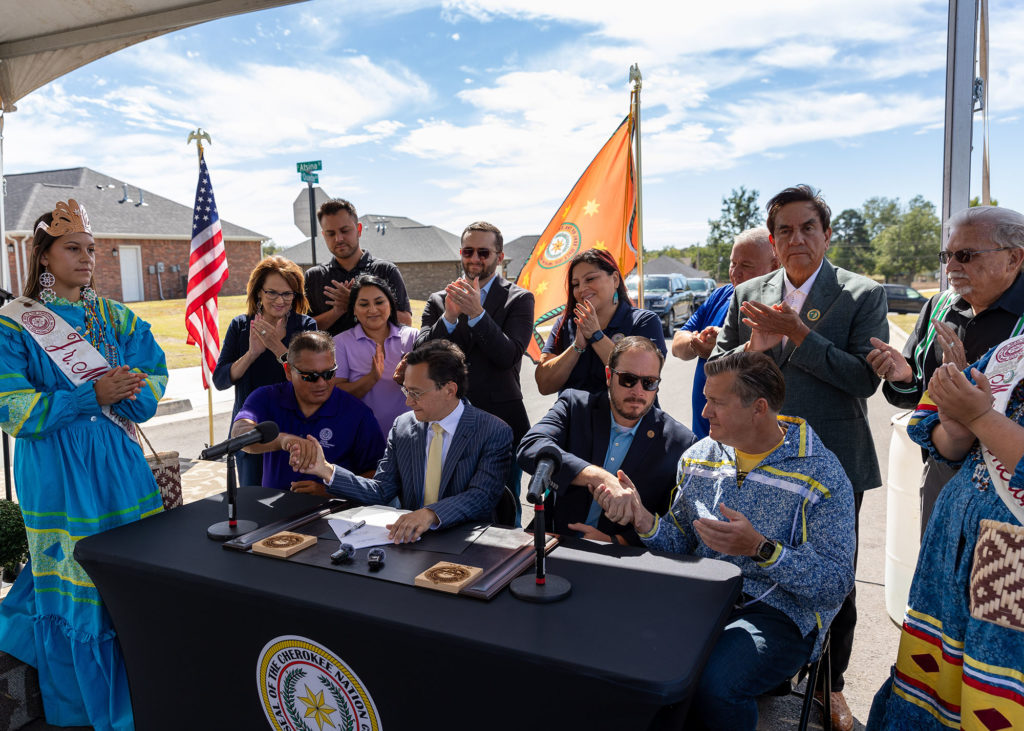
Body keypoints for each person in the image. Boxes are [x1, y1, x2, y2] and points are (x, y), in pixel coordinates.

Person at [594, 352, 855, 731]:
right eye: (706, 398)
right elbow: (680, 546)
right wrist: (644, 519)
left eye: (716, 402)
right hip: (703, 596)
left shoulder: (823, 474)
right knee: (627, 653)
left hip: (782, 615)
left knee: (715, 685)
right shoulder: (698, 457)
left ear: (758, 408)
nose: (704, 412)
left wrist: (761, 549)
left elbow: (834, 585)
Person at [711, 185, 888, 731]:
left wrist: (801, 335)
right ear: (773, 238)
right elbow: (720, 364)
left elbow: (864, 379)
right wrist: (754, 350)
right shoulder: (752, 292)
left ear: (826, 234)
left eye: (807, 227)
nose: (797, 238)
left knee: (832, 580)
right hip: (759, 460)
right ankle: (771, 677)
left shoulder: (861, 294)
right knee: (762, 567)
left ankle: (831, 688)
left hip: (832, 464)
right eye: (785, 229)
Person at [0, 199, 168, 730]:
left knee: (130, 577)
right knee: (77, 589)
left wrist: (132, 391)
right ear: (44, 257)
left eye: (92, 249)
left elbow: (153, 374)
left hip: (119, 465)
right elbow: (13, 407)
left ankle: (144, 698)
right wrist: (88, 396)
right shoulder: (15, 323)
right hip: (55, 470)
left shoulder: (115, 317)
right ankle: (83, 710)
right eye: (73, 248)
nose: (87, 258)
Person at [866, 341, 1024, 731]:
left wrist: (981, 416)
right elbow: (948, 443)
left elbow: (984, 420)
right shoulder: (1011, 351)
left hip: (1012, 568)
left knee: (992, 694)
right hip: (953, 548)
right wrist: (956, 429)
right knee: (935, 683)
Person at [867, 205, 1024, 533]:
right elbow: (919, 395)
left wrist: (969, 392)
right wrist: (906, 376)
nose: (951, 266)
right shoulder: (938, 306)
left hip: (1009, 494)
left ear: (1014, 258)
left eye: (966, 255)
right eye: (947, 255)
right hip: (942, 478)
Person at [292, 340, 513, 543]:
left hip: (467, 543)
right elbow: (380, 491)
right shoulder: (403, 427)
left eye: (416, 393)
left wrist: (430, 514)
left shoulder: (493, 431)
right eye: (406, 390)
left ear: (449, 389)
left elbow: (481, 497)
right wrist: (327, 470)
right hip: (410, 541)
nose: (408, 401)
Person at [518, 336, 695, 544]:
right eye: (628, 379)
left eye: (649, 383)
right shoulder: (575, 406)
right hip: (554, 542)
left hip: (624, 560)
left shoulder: (680, 442)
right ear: (609, 376)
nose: (638, 391)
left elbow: (676, 528)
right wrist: (597, 476)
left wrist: (616, 541)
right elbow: (530, 446)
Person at [418, 221, 535, 448]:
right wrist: (449, 318)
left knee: (505, 485)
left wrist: (477, 314)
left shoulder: (520, 299)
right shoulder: (438, 300)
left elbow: (508, 356)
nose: (474, 258)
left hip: (501, 420)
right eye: (468, 251)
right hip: (446, 418)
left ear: (499, 257)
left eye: (483, 252)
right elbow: (420, 355)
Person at [231, 330, 384, 491]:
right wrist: (283, 440)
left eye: (328, 373)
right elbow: (239, 433)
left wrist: (329, 490)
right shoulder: (267, 397)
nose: (321, 383)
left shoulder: (358, 414)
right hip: (274, 512)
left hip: (335, 512)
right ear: (288, 371)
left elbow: (377, 476)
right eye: (310, 376)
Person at [213, 256, 317, 486]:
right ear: (258, 292)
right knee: (254, 503)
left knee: (294, 501)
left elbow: (312, 379)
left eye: (287, 294)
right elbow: (220, 380)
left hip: (295, 430)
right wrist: (252, 353)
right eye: (272, 293)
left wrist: (278, 348)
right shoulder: (240, 326)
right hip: (251, 433)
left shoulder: (306, 326)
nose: (280, 300)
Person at [673, 227, 778, 438]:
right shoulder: (722, 294)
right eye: (733, 263)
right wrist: (697, 340)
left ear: (774, 266)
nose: (735, 272)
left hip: (747, 443)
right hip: (704, 438)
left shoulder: (777, 307)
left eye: (746, 265)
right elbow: (677, 345)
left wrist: (722, 348)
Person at [536, 248, 665, 395]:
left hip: (627, 417)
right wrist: (576, 347)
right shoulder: (565, 324)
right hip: (572, 415)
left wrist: (596, 335)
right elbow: (544, 386)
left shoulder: (645, 321)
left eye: (590, 279)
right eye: (575, 284)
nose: (582, 289)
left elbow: (639, 377)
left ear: (615, 279)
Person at [303, 198, 412, 336]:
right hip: (330, 357)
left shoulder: (386, 270)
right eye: (331, 233)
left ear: (359, 229)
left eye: (345, 230)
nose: (339, 238)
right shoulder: (314, 276)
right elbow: (303, 330)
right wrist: (336, 312)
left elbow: (406, 322)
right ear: (324, 235)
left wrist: (356, 303)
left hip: (381, 356)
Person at [333, 275, 419, 438]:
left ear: (391, 304)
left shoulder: (413, 337)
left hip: (411, 436)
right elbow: (336, 396)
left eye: (379, 302)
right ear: (353, 309)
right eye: (364, 304)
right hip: (362, 439)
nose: (372, 310)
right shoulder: (340, 343)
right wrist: (372, 378)